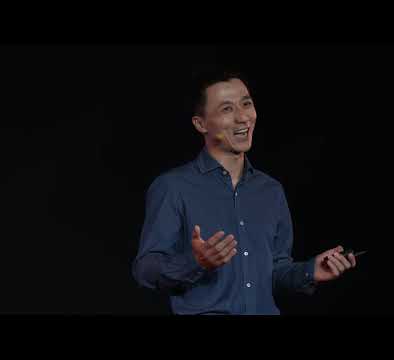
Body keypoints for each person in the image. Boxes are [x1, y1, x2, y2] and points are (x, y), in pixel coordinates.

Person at [132, 69, 357, 315]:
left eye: (246, 104)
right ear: (201, 124)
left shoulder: (271, 191)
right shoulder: (172, 187)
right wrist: (195, 262)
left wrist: (310, 271)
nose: (243, 118)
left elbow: (275, 274)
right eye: (227, 109)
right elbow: (145, 270)